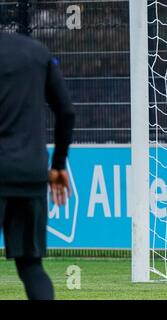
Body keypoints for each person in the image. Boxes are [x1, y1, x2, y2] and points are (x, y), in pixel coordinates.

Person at [0, 31, 75, 299]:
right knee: (31, 265)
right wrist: (57, 166)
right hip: (30, 172)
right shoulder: (37, 51)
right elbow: (66, 111)